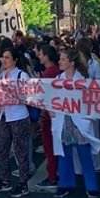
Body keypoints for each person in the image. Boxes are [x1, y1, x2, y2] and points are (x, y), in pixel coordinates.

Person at [51, 48, 100, 198]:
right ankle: (65, 184)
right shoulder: (56, 80)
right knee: (63, 153)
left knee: (84, 153)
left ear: (72, 63)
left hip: (79, 121)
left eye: (63, 59)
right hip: (63, 120)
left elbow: (91, 101)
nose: (59, 62)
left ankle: (92, 186)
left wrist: (88, 119)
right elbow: (50, 100)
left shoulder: (84, 81)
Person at [0, 48, 31, 198]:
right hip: (4, 116)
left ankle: (23, 183)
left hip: (19, 116)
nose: (4, 60)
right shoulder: (1, 75)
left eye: (7, 57)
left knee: (20, 151)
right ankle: (4, 179)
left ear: (15, 60)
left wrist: (11, 94)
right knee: (1, 149)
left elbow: (27, 96)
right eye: (3, 57)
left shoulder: (22, 75)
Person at [34, 45, 60, 190]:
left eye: (41, 54)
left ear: (47, 56)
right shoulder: (56, 72)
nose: (39, 56)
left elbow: (44, 96)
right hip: (54, 115)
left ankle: (52, 177)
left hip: (49, 116)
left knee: (50, 148)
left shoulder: (48, 74)